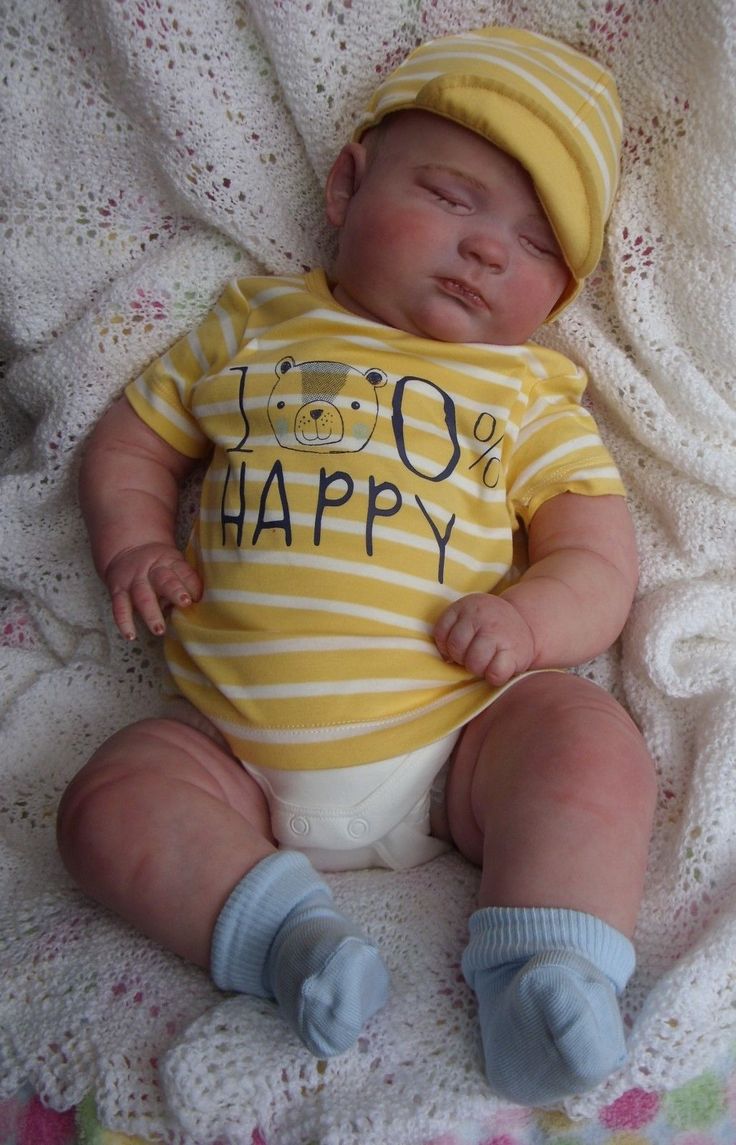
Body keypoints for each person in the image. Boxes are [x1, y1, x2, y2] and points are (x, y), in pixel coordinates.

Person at [57, 26, 656, 1106]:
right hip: (226, 748)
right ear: (346, 182)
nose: (484, 249)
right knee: (107, 802)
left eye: (530, 245)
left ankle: (544, 968)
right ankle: (286, 937)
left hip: (452, 745)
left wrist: (529, 622)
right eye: (453, 195)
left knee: (587, 742)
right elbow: (134, 441)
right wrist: (135, 539)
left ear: (559, 295)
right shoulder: (251, 324)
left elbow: (597, 562)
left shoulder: (526, 394)